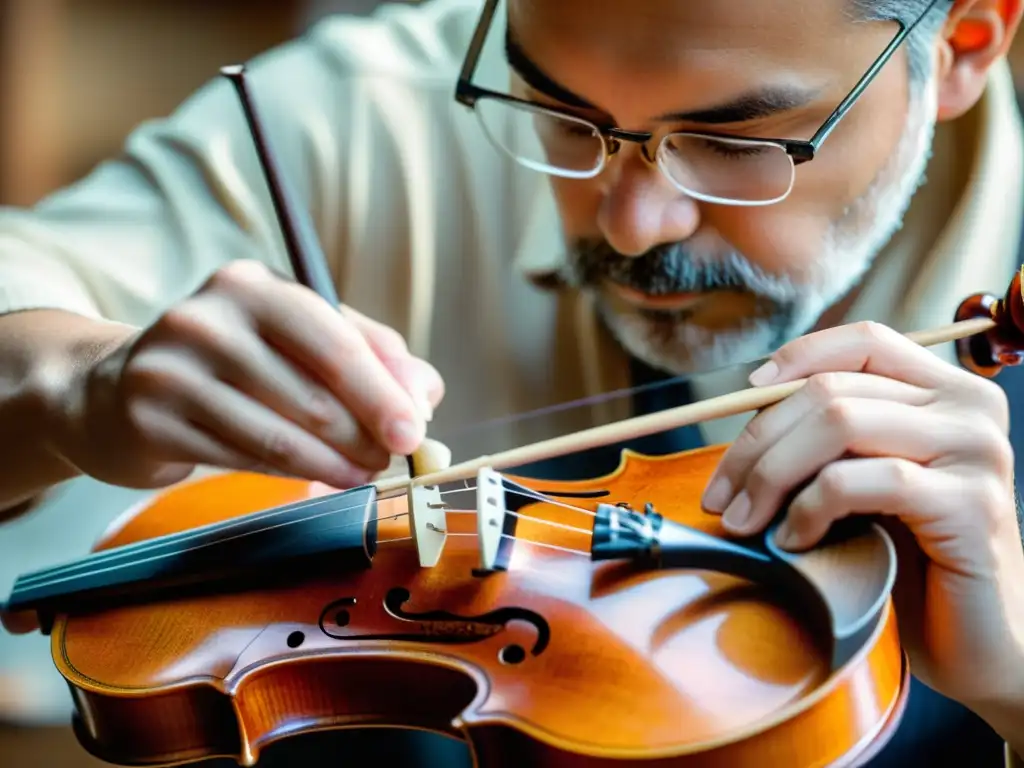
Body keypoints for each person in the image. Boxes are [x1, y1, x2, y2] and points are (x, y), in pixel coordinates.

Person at [0, 0, 1022, 765]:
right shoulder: (380, 111)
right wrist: (76, 388)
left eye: (731, 142)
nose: (632, 224)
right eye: (561, 117)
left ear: (965, 43)